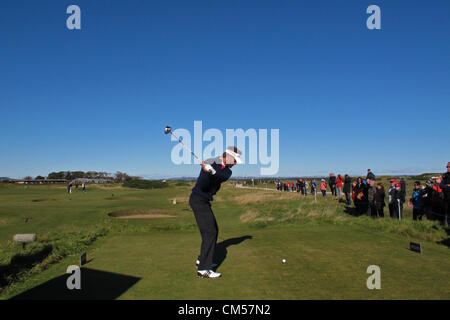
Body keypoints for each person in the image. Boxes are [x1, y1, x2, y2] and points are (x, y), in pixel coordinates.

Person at [190, 146, 242, 279]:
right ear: (228, 157)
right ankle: (203, 270)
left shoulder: (228, 172)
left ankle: (202, 260)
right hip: (198, 199)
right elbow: (202, 185)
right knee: (210, 232)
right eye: (235, 160)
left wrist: (212, 172)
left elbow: (220, 176)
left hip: (204, 201)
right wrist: (206, 171)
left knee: (213, 230)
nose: (235, 163)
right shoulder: (211, 161)